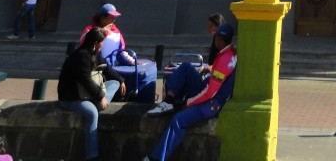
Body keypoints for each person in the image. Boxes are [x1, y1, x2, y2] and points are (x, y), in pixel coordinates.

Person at [141, 22, 236, 161]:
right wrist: (210, 69)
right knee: (186, 68)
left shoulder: (225, 60)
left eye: (215, 37)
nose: (214, 40)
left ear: (220, 39)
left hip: (211, 103)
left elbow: (211, 92)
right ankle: (169, 101)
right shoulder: (230, 53)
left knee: (178, 120)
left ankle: (155, 158)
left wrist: (189, 103)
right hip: (209, 90)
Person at [58, 26, 126, 161]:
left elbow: (106, 68)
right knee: (92, 113)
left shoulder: (95, 53)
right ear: (95, 43)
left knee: (114, 84)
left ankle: (99, 102)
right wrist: (101, 96)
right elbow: (85, 81)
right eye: (102, 43)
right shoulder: (81, 56)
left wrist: (121, 80)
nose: (103, 46)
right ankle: (92, 156)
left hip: (89, 94)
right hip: (73, 97)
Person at [149, 11, 225, 114]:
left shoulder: (225, 49)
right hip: (207, 83)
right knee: (184, 71)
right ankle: (172, 100)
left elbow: (222, 69)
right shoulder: (215, 42)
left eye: (211, 26)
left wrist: (212, 68)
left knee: (186, 67)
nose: (209, 29)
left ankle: (169, 101)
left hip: (209, 90)